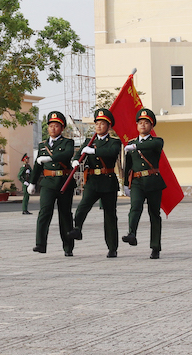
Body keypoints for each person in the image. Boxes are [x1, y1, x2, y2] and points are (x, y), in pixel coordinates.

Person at [69, 108, 122, 257]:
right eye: (97, 123)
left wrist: (94, 152)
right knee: (82, 207)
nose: (99, 126)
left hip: (108, 181)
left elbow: (112, 153)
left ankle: (112, 247)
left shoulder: (114, 142)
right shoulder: (88, 141)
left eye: (102, 123)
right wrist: (75, 161)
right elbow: (79, 154)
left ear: (109, 126)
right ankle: (77, 228)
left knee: (110, 215)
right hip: (92, 180)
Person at [27, 111, 76, 256]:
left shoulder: (68, 142)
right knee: (44, 212)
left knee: (65, 215)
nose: (53, 128)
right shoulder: (42, 145)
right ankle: (40, 244)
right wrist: (32, 182)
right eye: (51, 126)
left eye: (56, 126)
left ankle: (68, 247)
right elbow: (37, 165)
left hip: (64, 182)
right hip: (48, 182)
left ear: (62, 128)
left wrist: (50, 158)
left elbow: (67, 154)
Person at [122, 108, 166, 259]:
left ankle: (155, 247)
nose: (143, 125)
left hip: (153, 181)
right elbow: (127, 166)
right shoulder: (131, 143)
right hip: (137, 182)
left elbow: (151, 146)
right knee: (135, 207)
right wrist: (125, 184)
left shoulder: (156, 141)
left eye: (146, 123)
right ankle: (131, 233)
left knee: (154, 214)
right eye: (140, 123)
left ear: (151, 126)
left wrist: (135, 146)